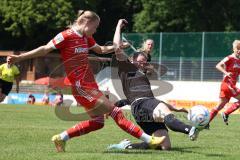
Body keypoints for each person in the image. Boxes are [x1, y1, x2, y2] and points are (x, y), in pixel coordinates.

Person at [9, 10, 165, 152]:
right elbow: (45, 49)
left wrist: (118, 47)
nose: (95, 30)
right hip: (80, 86)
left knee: (98, 122)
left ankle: (61, 137)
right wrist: (20, 58)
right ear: (86, 22)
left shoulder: (86, 37)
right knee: (115, 111)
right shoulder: (66, 35)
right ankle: (149, 140)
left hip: (90, 85)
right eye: (95, 27)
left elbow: (101, 49)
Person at [108, 19, 200, 150]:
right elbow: (116, 46)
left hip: (140, 108)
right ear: (132, 59)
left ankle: (127, 146)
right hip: (143, 104)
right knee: (166, 114)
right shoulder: (126, 66)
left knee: (164, 146)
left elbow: (152, 101)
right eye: (141, 60)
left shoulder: (143, 77)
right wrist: (118, 25)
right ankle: (190, 130)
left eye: (145, 62)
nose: (144, 63)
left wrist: (177, 109)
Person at [209, 40, 240, 125]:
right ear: (234, 49)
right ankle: (226, 113)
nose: (239, 50)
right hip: (227, 84)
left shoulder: (239, 61)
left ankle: (205, 123)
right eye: (238, 48)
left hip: (230, 86)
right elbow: (218, 65)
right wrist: (226, 73)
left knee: (220, 106)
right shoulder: (230, 58)